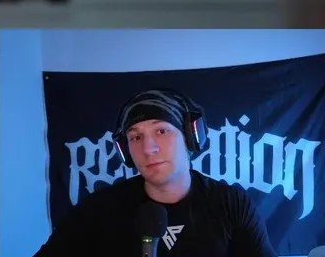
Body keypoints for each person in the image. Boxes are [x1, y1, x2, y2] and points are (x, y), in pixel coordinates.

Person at [34, 88, 276, 257]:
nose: (148, 149)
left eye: (162, 131)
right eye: (136, 137)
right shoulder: (97, 209)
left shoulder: (231, 204)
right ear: (125, 151)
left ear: (190, 137)